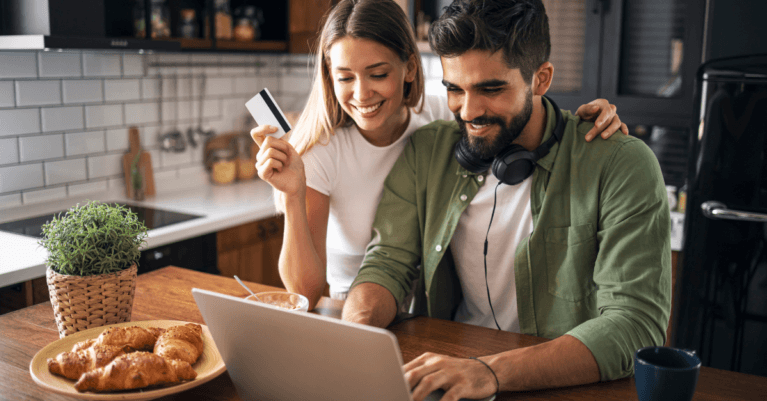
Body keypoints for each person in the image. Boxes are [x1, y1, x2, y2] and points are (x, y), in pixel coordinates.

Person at [341, 0, 671, 400]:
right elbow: (387, 262)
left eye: (491, 89)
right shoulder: (428, 152)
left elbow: (633, 324)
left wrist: (488, 372)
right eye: (454, 89)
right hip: (452, 375)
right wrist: (351, 336)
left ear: (541, 78)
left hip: (559, 383)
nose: (469, 111)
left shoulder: (620, 164)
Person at [251, 0, 627, 310]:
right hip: (356, 307)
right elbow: (305, 292)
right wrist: (294, 194)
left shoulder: (439, 116)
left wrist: (580, 123)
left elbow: (510, 111)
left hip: (423, 310)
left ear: (409, 69)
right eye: (345, 77)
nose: (361, 94)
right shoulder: (321, 151)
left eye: (377, 74)